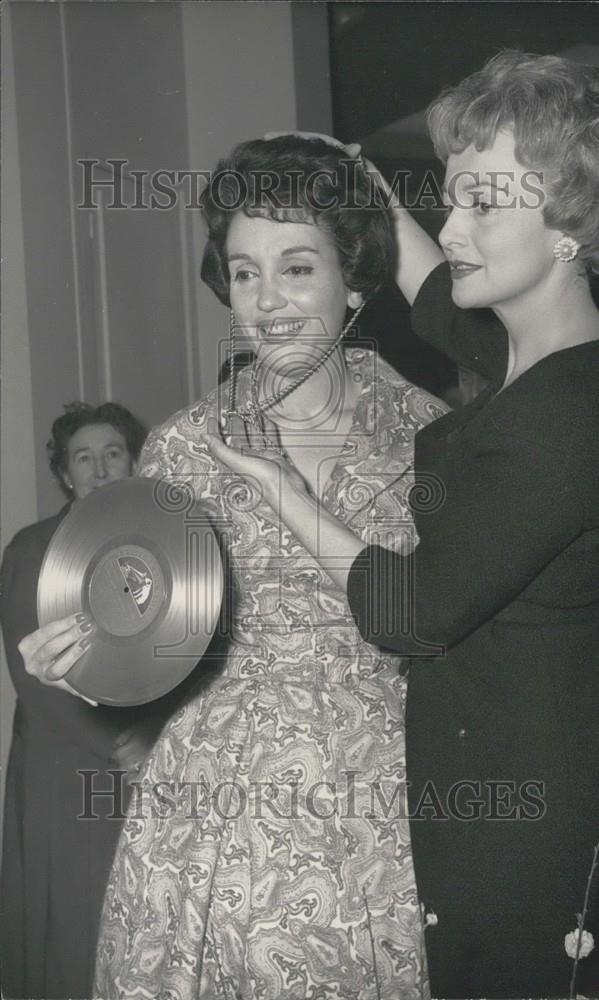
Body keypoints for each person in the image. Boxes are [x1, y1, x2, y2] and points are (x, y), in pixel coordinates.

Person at [204, 52, 599, 998]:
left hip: (523, 831)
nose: (454, 228)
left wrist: (283, 489)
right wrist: (380, 200)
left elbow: (411, 614)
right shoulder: (534, 358)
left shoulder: (564, 411)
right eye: (450, 200)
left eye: (483, 207)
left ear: (568, 231)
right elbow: (441, 308)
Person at [20, 137, 447, 999]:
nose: (269, 303)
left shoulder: (433, 434)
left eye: (296, 268)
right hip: (213, 809)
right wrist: (80, 665)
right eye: (245, 274)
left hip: (390, 799)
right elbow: (150, 635)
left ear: (355, 280)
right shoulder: (184, 446)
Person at [0, 402, 184, 999]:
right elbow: (35, 676)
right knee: (76, 923)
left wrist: (163, 737)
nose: (100, 469)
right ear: (64, 473)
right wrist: (122, 746)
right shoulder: (33, 549)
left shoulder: (159, 541)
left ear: (134, 462)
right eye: (84, 457)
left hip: (152, 761)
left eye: (113, 454)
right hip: (69, 763)